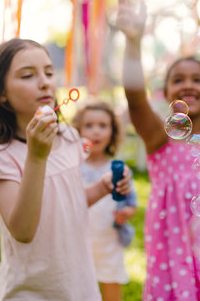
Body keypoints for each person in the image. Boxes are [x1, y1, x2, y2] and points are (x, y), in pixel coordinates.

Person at [0, 38, 131, 300]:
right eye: (27, 75)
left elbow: (70, 200)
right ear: (0, 93)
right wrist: (36, 157)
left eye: (49, 72)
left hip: (76, 279)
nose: (45, 81)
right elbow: (22, 231)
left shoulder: (68, 136)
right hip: (33, 288)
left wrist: (102, 187)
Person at [116, 0, 200, 300]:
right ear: (166, 92)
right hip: (172, 242)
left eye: (198, 80)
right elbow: (134, 98)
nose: (188, 85)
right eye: (178, 80)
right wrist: (133, 42)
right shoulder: (160, 136)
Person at [72, 101, 138, 301]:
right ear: (78, 131)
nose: (96, 132)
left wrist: (127, 213)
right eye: (89, 125)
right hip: (77, 242)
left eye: (103, 126)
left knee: (111, 287)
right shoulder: (73, 166)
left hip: (109, 241)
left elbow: (131, 204)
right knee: (77, 290)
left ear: (113, 131)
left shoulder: (119, 168)